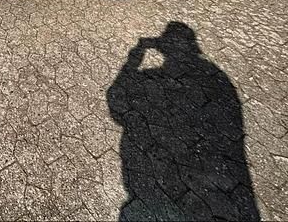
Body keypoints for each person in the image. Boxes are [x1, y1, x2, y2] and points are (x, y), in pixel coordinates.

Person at [107, 22, 260, 221]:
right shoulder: (214, 74)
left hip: (185, 175)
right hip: (210, 174)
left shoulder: (207, 75)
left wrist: (136, 53)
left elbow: (116, 100)